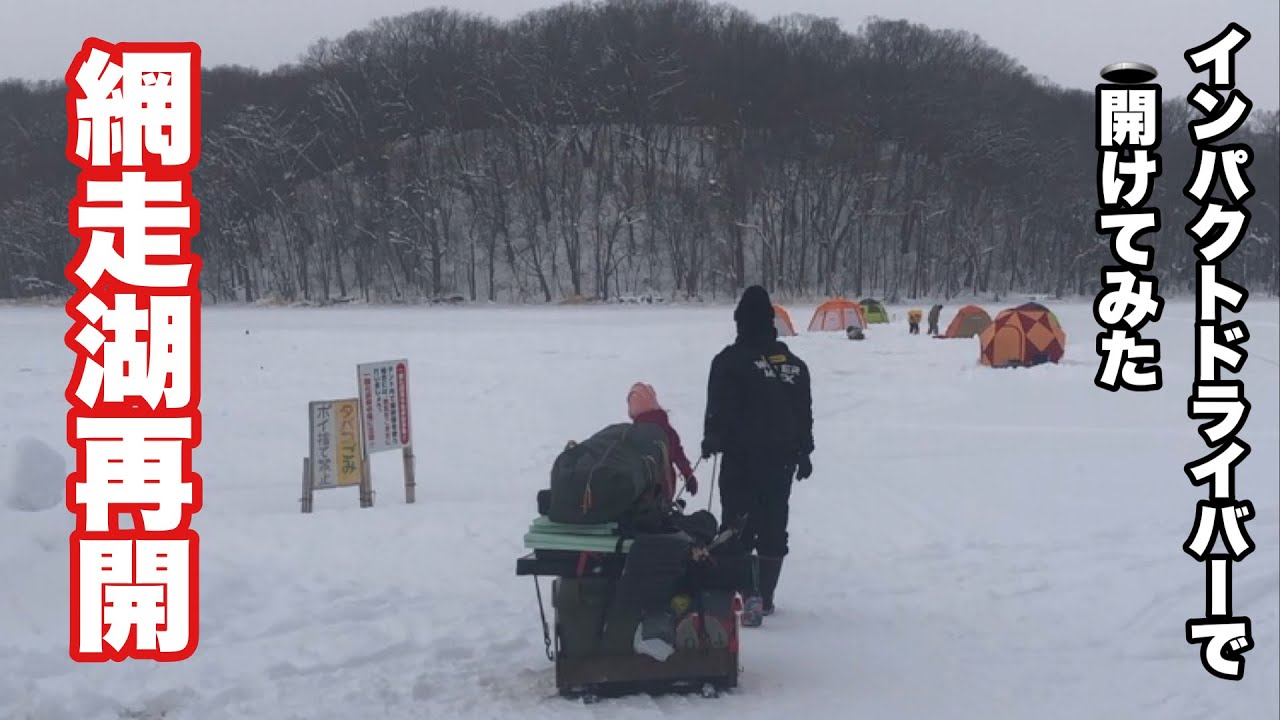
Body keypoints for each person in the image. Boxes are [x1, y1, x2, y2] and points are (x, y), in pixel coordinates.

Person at [700, 286, 813, 624]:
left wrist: (711, 438)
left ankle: (748, 595)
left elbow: (717, 406)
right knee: (774, 524)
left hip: (741, 458)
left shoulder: (728, 361)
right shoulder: (795, 366)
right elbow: (803, 412)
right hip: (781, 460)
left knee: (736, 524)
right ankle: (765, 595)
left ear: (740, 322)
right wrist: (805, 452)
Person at [627, 382, 697, 501]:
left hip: (642, 489)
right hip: (665, 485)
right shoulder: (664, 427)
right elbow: (678, 453)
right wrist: (688, 475)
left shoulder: (631, 433)